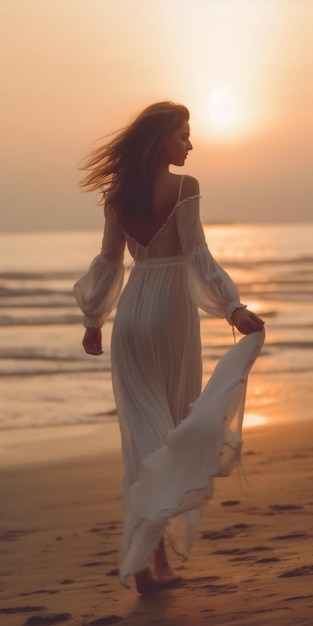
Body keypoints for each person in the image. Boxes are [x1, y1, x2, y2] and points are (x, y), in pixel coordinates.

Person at [74, 101, 265, 594]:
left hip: (133, 319)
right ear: (161, 140)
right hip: (171, 318)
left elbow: (109, 262)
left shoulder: (118, 194)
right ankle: (148, 558)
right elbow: (197, 252)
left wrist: (95, 318)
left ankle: (149, 563)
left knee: (144, 443)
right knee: (170, 436)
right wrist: (233, 307)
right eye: (183, 134)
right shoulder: (185, 187)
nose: (189, 144)